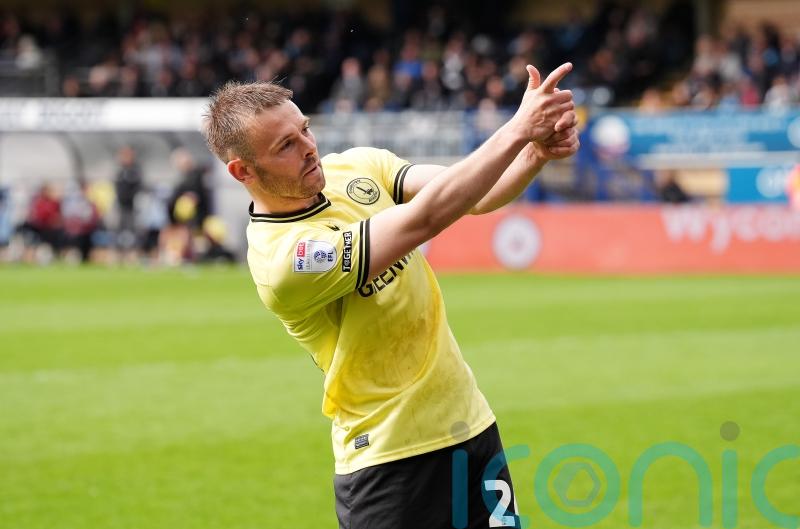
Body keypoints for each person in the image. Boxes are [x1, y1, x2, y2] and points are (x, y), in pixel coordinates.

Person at [201, 63, 579, 529]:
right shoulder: (284, 261)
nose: (308, 149)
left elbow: (470, 195)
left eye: (305, 130)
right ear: (242, 171)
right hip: (388, 463)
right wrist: (518, 127)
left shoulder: (356, 167)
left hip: (470, 428)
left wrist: (533, 154)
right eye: (286, 146)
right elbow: (425, 219)